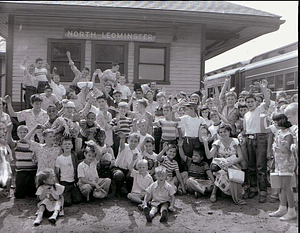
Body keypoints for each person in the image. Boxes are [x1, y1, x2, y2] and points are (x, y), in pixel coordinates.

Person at [241, 80, 270, 203]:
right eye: (248, 102)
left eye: (252, 102)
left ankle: (263, 191)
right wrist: (241, 136)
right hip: (249, 139)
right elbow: (245, 130)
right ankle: (253, 189)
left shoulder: (260, 109)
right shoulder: (246, 115)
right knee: (251, 166)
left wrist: (263, 88)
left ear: (256, 102)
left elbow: (267, 101)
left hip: (260, 139)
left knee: (260, 166)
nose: (250, 104)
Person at [202, 123, 246, 205]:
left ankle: (235, 194)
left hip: (233, 164)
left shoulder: (235, 142)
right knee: (221, 173)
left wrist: (230, 163)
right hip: (221, 165)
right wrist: (205, 143)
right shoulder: (217, 143)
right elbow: (209, 156)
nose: (223, 134)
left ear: (229, 131)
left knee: (233, 173)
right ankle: (214, 192)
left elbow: (240, 157)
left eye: (225, 131)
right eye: (220, 132)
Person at [268, 113, 297, 221]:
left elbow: (288, 151)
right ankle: (282, 208)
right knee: (281, 186)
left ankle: (291, 210)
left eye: (276, 122)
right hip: (279, 163)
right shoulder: (280, 132)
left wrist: (283, 146)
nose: (274, 124)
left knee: (287, 187)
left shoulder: (288, 134)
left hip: (287, 163)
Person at [6, 124, 37, 198]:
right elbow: (9, 141)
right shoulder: (17, 144)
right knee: (19, 195)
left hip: (32, 171)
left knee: (32, 194)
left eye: (24, 132)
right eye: (21, 132)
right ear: (17, 133)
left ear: (28, 133)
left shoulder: (32, 143)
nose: (22, 134)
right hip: (21, 171)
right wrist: (9, 130)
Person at [112, 132, 142, 197]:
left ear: (138, 143)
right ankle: (118, 191)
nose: (133, 143)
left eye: (135, 141)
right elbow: (121, 144)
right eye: (131, 141)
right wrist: (122, 138)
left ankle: (128, 191)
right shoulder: (124, 147)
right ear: (128, 140)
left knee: (132, 175)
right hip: (118, 168)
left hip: (129, 170)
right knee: (119, 175)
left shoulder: (138, 154)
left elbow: (135, 167)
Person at [55, 137, 82, 207]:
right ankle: (66, 196)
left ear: (72, 146)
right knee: (67, 203)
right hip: (64, 182)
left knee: (78, 200)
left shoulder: (74, 156)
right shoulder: (59, 158)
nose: (67, 145)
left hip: (72, 182)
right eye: (65, 144)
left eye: (69, 144)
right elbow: (57, 172)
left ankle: (71, 194)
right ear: (62, 146)